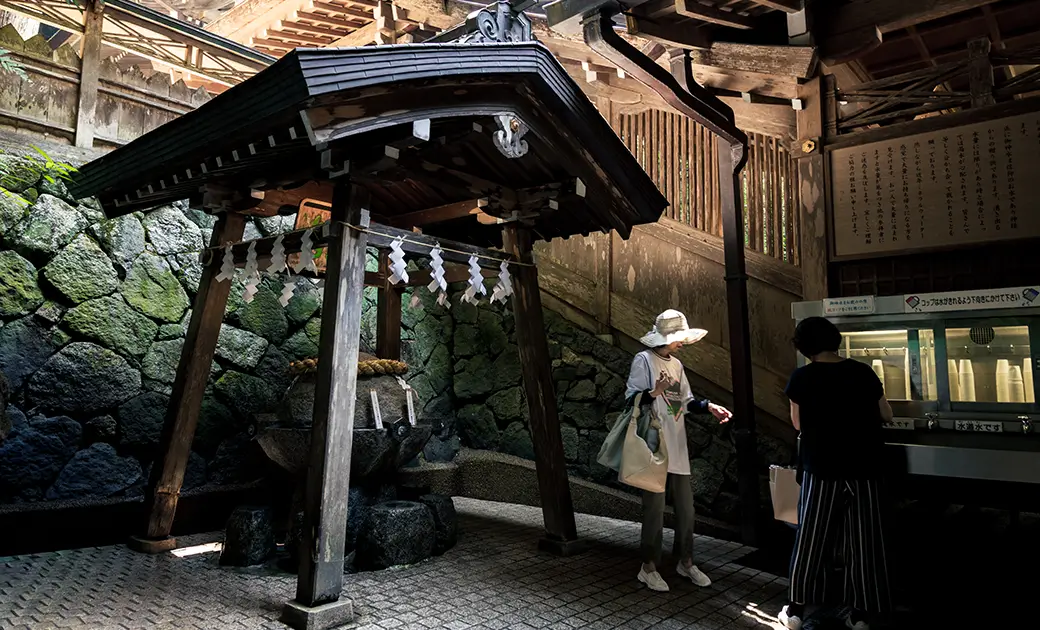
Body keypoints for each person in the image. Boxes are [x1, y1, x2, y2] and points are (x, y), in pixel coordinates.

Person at [778, 316, 892, 630]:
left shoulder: (802, 377)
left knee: (811, 540)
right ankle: (861, 613)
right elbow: (886, 413)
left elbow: (798, 424)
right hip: (866, 468)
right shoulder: (862, 371)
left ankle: (797, 609)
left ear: (804, 346)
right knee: (865, 541)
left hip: (821, 468)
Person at [626, 309, 733, 593]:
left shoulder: (677, 365)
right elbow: (630, 399)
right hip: (655, 444)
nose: (682, 342)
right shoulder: (644, 360)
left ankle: (685, 561)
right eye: (679, 338)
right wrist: (653, 392)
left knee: (686, 508)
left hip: (678, 444)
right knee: (655, 508)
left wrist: (708, 406)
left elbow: (685, 402)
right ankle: (648, 566)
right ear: (666, 337)